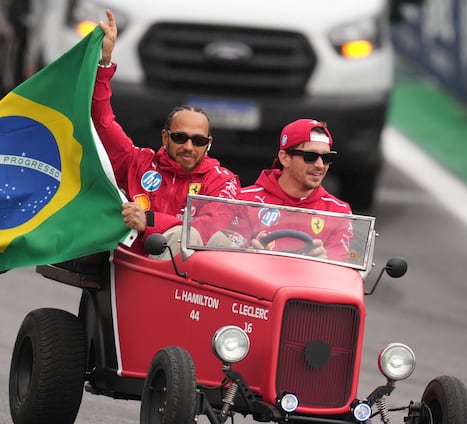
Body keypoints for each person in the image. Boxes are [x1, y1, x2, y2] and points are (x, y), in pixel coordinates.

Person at [94, 9, 240, 258]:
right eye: (180, 137)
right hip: (129, 269)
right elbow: (102, 121)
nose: (189, 147)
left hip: (186, 285)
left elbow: (212, 228)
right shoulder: (136, 162)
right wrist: (104, 61)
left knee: (196, 238)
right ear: (165, 137)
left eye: (199, 140)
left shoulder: (222, 180)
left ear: (209, 144)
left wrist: (149, 221)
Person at [236, 119, 352, 260]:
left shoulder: (339, 212)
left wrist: (325, 262)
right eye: (311, 157)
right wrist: (248, 253)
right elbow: (225, 260)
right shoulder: (243, 201)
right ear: (285, 158)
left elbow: (343, 271)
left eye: (327, 158)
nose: (320, 165)